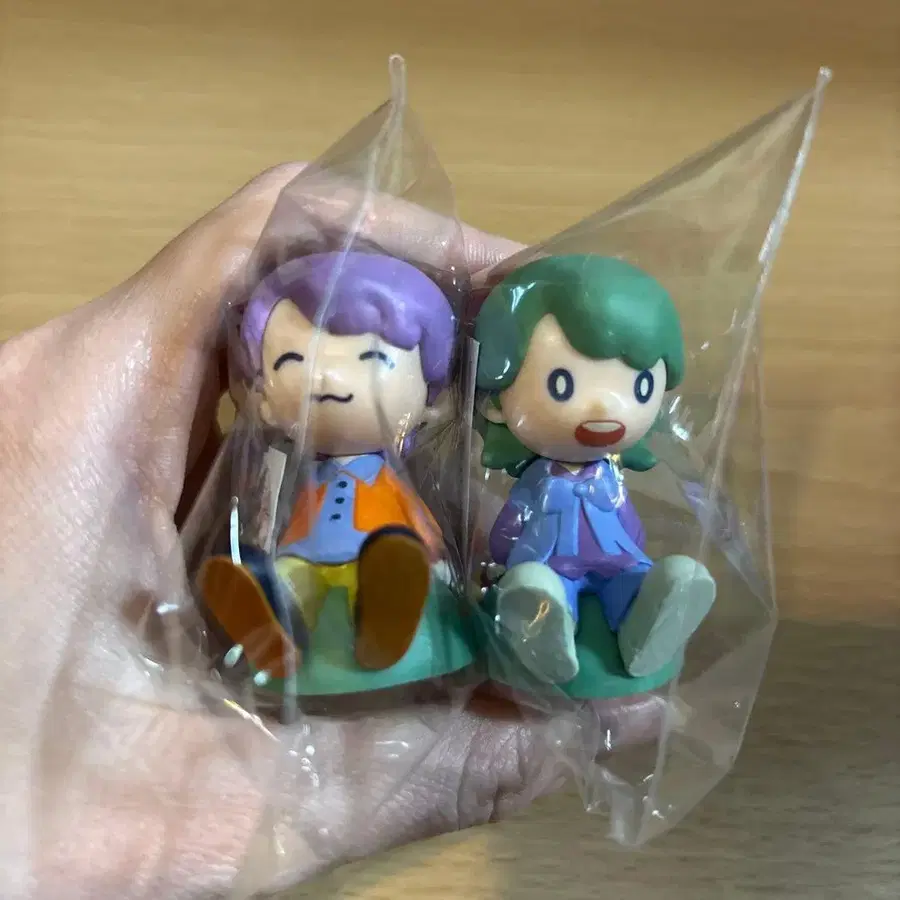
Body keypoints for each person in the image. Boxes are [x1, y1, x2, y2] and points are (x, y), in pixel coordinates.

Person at [0, 164, 667, 899]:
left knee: (418, 562)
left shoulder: (413, 480)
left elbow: (479, 532)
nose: (333, 381)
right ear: (259, 390)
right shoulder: (308, 476)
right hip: (318, 552)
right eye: (295, 361)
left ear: (432, 392)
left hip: (415, 550)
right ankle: (270, 622)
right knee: (287, 574)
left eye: (373, 359)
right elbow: (497, 534)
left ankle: (561, 613)